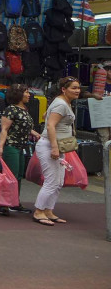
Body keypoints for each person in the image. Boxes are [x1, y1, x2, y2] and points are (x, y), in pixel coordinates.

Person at [32, 77, 102, 225]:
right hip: (50, 146)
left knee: (58, 181)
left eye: (78, 88)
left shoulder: (62, 102)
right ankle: (39, 211)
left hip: (57, 146)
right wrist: (55, 147)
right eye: (73, 88)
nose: (77, 91)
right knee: (51, 180)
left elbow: (47, 117)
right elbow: (50, 125)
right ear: (64, 89)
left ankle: (48, 210)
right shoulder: (61, 104)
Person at [0, 84, 40, 216]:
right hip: (11, 146)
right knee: (11, 176)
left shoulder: (23, 109)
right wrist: (1, 147)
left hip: (21, 147)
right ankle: (3, 205)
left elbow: (23, 126)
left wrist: (36, 133)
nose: (29, 95)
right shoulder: (11, 109)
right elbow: (4, 129)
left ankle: (14, 202)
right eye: (26, 92)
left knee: (19, 175)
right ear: (18, 95)